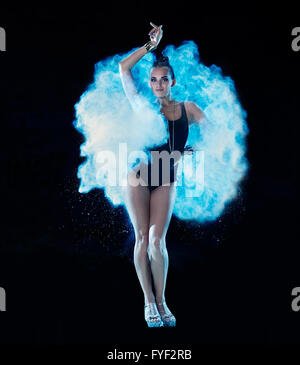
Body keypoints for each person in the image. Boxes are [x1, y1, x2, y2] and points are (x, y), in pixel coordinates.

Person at [119, 22, 206, 327]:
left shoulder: (188, 109)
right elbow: (123, 68)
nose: (158, 84)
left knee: (158, 241)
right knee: (142, 238)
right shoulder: (142, 106)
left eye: (163, 79)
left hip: (166, 178)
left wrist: (192, 151)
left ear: (172, 81)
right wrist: (149, 47)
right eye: (153, 79)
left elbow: (217, 135)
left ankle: (163, 300)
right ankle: (148, 301)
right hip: (138, 177)